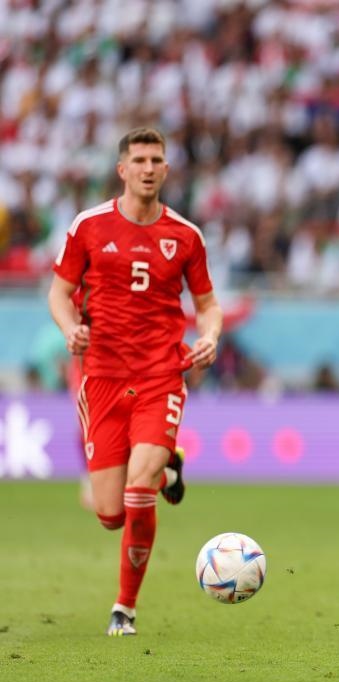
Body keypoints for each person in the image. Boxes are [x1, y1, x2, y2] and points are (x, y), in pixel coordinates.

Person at [48, 127, 223, 636]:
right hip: (102, 377)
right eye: (140, 160)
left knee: (138, 488)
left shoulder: (186, 235)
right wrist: (70, 329)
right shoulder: (89, 226)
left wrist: (210, 337)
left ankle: (124, 609)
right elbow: (59, 293)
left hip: (159, 377)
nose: (149, 168)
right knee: (109, 513)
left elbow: (208, 305)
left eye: (156, 160)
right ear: (122, 170)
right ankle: (169, 472)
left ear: (166, 170)